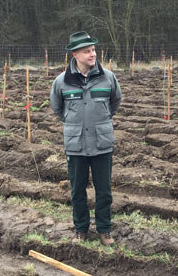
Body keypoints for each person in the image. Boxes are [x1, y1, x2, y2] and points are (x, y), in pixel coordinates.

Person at [50, 31, 121, 246]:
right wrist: (74, 123)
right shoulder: (62, 81)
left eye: (93, 50)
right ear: (75, 55)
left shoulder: (108, 77)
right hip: (75, 145)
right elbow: (57, 108)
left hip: (101, 144)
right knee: (77, 190)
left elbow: (114, 103)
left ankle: (104, 230)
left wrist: (101, 121)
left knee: (104, 191)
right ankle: (80, 229)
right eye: (87, 51)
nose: (92, 54)